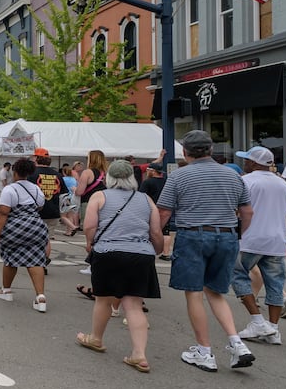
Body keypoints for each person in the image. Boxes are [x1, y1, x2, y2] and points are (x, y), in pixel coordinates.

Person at [154, 129, 256, 372]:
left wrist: (155, 237)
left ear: (185, 152)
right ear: (211, 150)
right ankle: (236, 342)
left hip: (193, 234)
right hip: (227, 235)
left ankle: (204, 350)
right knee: (216, 292)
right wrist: (239, 234)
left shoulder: (179, 177)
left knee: (194, 293)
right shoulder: (233, 176)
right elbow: (247, 211)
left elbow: (164, 211)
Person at [77, 159, 163, 372]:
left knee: (103, 299)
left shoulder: (100, 196)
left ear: (109, 178)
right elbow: (155, 231)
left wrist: (90, 243)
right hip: (140, 254)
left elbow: (89, 226)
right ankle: (139, 354)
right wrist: (158, 250)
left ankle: (96, 338)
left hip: (108, 252)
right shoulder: (146, 199)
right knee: (133, 304)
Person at [231, 146, 286, 347]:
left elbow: (236, 209)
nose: (244, 162)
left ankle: (257, 321)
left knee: (237, 276)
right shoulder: (281, 184)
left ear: (253, 163)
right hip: (276, 241)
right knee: (275, 286)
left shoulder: (245, 181)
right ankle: (274, 328)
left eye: (247, 160)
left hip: (249, 239)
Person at [0, 158, 49, 313]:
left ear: (14, 172)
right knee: (36, 260)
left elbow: (3, 212)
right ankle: (40, 297)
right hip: (36, 227)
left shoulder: (10, 190)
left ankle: (6, 290)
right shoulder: (36, 189)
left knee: (10, 258)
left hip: (14, 228)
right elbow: (40, 206)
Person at [32, 149, 67, 255]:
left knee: (34, 239)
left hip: (35, 212)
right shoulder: (58, 175)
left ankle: (36, 261)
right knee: (46, 240)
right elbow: (64, 193)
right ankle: (44, 261)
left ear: (37, 158)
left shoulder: (32, 174)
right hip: (53, 212)